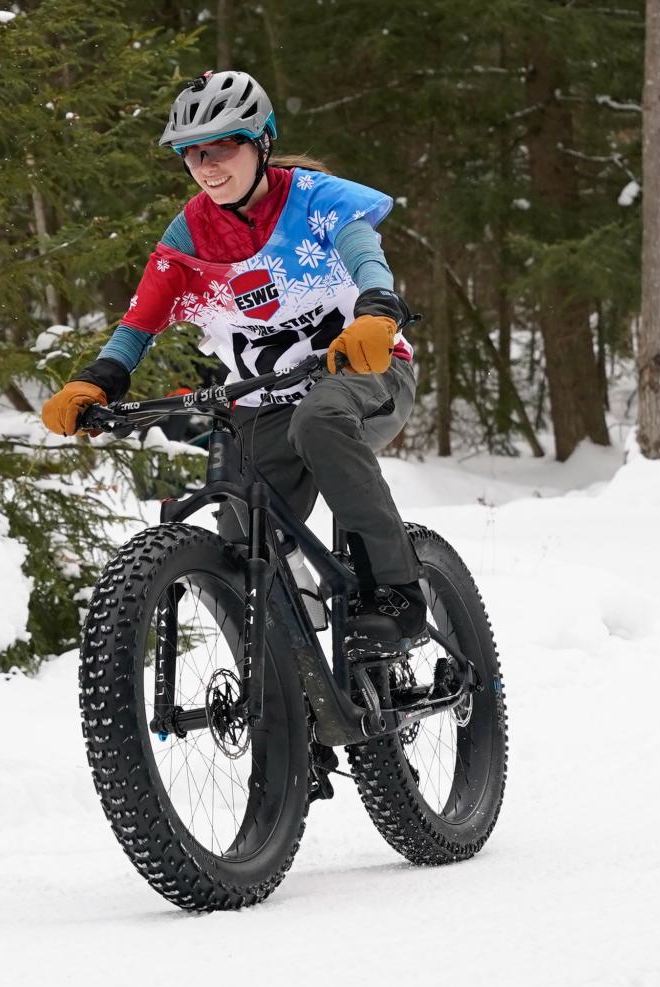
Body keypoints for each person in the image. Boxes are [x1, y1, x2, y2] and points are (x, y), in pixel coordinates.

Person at [41, 70, 427, 651]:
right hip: (262, 397)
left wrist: (376, 312)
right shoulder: (190, 234)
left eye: (223, 147)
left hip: (363, 372)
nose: (207, 166)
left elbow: (365, 257)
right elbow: (141, 320)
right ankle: (287, 695)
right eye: (192, 154)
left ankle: (395, 591)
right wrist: (97, 382)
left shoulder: (317, 200)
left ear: (262, 142)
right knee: (245, 545)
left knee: (318, 421)